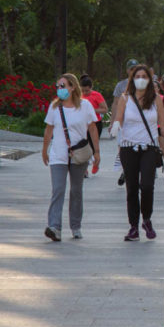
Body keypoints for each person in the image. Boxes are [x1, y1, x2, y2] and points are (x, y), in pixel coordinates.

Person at [112, 64, 164, 240]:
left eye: (144, 76)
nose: (140, 79)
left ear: (149, 79)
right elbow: (118, 118)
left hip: (149, 148)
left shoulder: (156, 100)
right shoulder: (125, 98)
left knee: (147, 185)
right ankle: (133, 227)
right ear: (132, 79)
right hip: (129, 148)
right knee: (131, 189)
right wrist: (115, 124)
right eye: (137, 76)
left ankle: (146, 219)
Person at [42, 74, 100, 242]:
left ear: (73, 87)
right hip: (58, 155)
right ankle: (54, 227)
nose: (60, 89)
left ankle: (75, 226)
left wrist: (97, 152)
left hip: (78, 155)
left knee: (76, 191)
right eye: (58, 86)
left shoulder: (85, 106)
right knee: (58, 190)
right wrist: (45, 150)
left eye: (63, 86)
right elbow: (48, 130)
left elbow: (92, 129)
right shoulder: (54, 107)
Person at [79, 75, 107, 177]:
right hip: (83, 124)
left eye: (87, 91)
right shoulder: (79, 96)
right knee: (83, 146)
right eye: (83, 91)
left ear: (91, 87)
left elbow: (105, 109)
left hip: (96, 124)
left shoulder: (97, 95)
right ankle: (84, 169)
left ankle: (96, 163)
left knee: (92, 147)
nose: (85, 93)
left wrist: (92, 110)